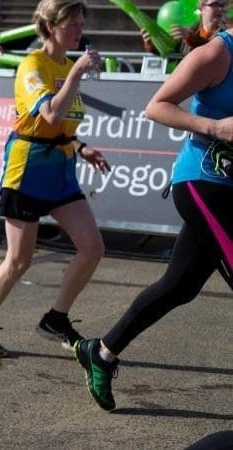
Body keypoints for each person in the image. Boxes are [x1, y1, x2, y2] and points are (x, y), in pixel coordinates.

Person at [72, 29, 233, 412]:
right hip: (203, 182)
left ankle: (103, 351)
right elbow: (157, 106)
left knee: (180, 285)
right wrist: (216, 127)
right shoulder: (216, 55)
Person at [0, 0, 111, 358]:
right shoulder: (33, 65)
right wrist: (76, 73)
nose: (79, 30)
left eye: (81, 23)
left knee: (92, 247)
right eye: (72, 24)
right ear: (50, 26)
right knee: (19, 260)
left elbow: (62, 126)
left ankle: (56, 318)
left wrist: (80, 146)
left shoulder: (63, 65)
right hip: (27, 170)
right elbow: (47, 115)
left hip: (60, 170)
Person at [141, 0, 226, 55]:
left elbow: (214, 51)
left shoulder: (227, 33)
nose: (220, 9)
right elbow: (171, 53)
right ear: (201, 8)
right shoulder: (191, 29)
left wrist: (191, 38)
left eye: (223, 5)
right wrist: (152, 43)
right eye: (215, 4)